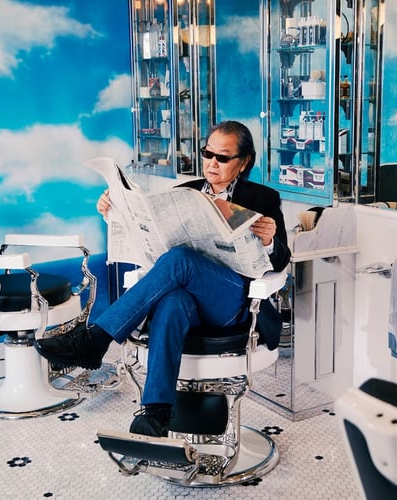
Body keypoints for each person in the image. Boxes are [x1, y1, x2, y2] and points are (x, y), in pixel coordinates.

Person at [36, 121, 291, 437]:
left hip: (232, 301)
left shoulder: (264, 198)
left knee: (180, 260)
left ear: (244, 162)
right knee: (172, 301)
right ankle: (156, 413)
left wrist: (269, 241)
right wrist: (112, 211)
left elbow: (282, 259)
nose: (212, 163)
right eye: (208, 154)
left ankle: (96, 338)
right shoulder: (185, 192)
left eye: (223, 157)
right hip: (190, 299)